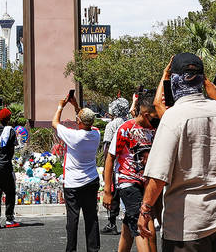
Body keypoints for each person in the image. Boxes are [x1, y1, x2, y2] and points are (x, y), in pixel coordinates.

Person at [139, 53, 216, 252]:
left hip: (189, 223)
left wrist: (145, 210)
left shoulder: (173, 117)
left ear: (176, 81)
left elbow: (159, 176)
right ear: (203, 80)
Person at [105, 89, 158, 252]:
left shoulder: (155, 130)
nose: (158, 120)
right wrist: (107, 191)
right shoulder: (125, 129)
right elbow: (110, 158)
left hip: (147, 183)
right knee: (143, 228)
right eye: (155, 118)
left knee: (130, 225)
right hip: (128, 183)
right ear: (146, 114)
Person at [55, 93, 102, 252]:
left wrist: (61, 106)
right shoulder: (96, 134)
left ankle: (71, 249)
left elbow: (55, 123)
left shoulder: (74, 137)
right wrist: (76, 106)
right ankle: (93, 249)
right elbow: (85, 121)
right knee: (91, 218)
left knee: (72, 220)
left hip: (73, 183)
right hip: (91, 180)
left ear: (79, 122)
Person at [103, 97, 131, 235]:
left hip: (115, 164)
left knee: (113, 195)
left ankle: (112, 223)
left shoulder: (111, 125)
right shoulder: (129, 122)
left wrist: (105, 167)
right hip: (127, 165)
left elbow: (107, 148)